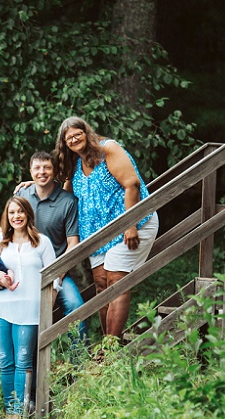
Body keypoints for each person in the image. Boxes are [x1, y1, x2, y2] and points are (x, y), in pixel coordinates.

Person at [56, 117, 159, 339]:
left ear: (86, 132)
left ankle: (111, 346)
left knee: (115, 281)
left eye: (77, 134)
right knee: (102, 286)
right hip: (98, 237)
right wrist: (35, 186)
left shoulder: (107, 149)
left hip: (131, 227)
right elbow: (63, 197)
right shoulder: (74, 165)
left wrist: (130, 225)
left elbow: (132, 183)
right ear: (65, 143)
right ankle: (108, 345)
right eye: (69, 138)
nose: (74, 139)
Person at [0, 196, 58, 416]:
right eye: (12, 212)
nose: (16, 216)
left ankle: (20, 413)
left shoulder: (41, 242)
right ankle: (11, 414)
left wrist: (47, 311)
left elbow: (54, 279)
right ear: (7, 216)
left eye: (21, 212)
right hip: (0, 310)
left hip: (30, 311)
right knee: (5, 362)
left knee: (23, 362)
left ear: (28, 214)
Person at [16, 150, 87, 342]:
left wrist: (59, 272)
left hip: (56, 271)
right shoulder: (22, 195)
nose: (42, 172)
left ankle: (78, 366)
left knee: (76, 309)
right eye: (37, 168)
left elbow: (73, 242)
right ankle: (25, 367)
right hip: (23, 271)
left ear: (54, 170)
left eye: (47, 167)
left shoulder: (68, 201)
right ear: (30, 172)